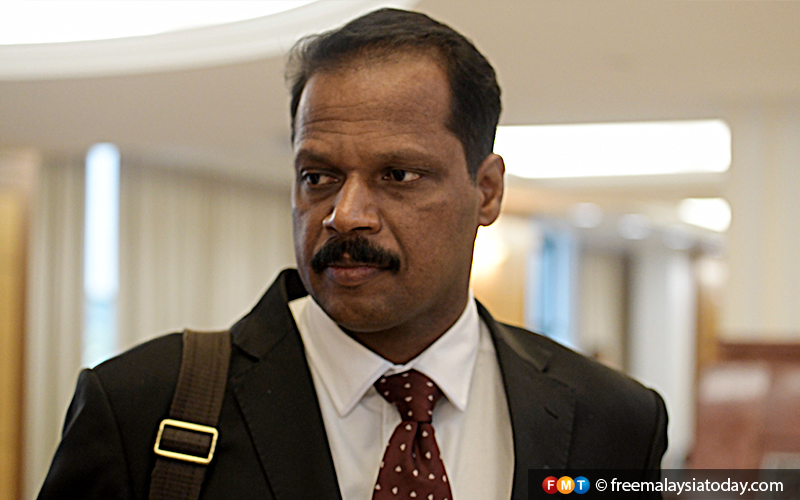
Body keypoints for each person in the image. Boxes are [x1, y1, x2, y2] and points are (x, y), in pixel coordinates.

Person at [37, 8, 667, 500]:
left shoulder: (612, 420)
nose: (345, 214)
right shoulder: (140, 407)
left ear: (486, 191)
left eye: (398, 175)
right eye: (319, 177)